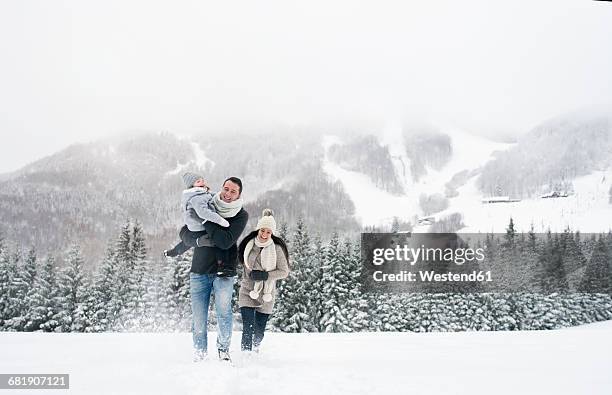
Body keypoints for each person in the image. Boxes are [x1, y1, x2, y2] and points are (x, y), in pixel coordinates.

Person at [189, 177, 249, 362]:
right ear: (221, 188)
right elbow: (186, 230)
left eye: (233, 191)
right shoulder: (206, 203)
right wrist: (197, 240)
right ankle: (200, 354)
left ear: (239, 195)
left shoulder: (240, 215)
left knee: (224, 314)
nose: (228, 194)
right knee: (199, 318)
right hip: (199, 269)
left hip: (224, 272)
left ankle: (223, 351)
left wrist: (205, 218)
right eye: (226, 189)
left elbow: (225, 241)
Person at [237, 209, 289, 352]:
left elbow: (284, 272)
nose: (265, 234)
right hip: (248, 291)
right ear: (258, 229)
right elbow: (242, 263)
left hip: (267, 294)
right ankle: (246, 356)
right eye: (262, 231)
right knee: (248, 327)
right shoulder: (249, 245)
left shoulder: (277, 249)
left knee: (259, 331)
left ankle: (255, 350)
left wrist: (265, 276)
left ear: (272, 233)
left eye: (268, 232)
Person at [164, 172, 234, 275]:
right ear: (192, 185)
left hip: (194, 227)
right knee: (217, 241)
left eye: (201, 179)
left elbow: (212, 196)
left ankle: (173, 252)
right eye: (198, 181)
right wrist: (220, 221)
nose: (202, 182)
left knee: (186, 243)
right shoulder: (196, 197)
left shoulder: (200, 193)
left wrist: (221, 196)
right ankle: (222, 266)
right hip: (199, 226)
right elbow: (203, 213)